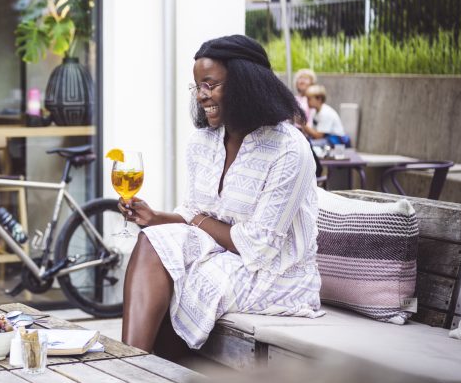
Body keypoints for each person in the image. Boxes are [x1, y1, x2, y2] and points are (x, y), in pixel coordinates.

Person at [119, 34, 322, 356]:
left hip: (276, 277)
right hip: (223, 258)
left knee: (188, 275)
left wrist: (196, 220)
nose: (201, 96)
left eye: (210, 85)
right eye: (197, 86)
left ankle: (149, 373)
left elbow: (259, 247)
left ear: (246, 84)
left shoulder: (288, 148)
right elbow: (192, 212)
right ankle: (130, 363)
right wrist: (157, 218)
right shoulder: (203, 142)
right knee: (153, 240)